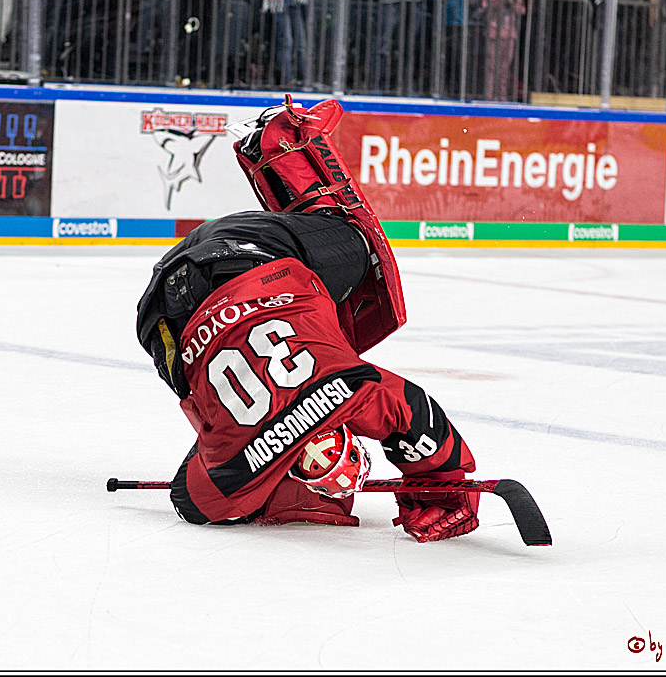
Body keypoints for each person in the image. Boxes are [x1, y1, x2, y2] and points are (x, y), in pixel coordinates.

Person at [135, 97, 480, 543]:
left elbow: (419, 418)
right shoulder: (228, 481)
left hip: (243, 251)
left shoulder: (351, 388)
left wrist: (445, 492)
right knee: (199, 385)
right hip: (159, 315)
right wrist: (257, 460)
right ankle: (284, 140)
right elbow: (188, 497)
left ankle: (280, 145)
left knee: (362, 253)